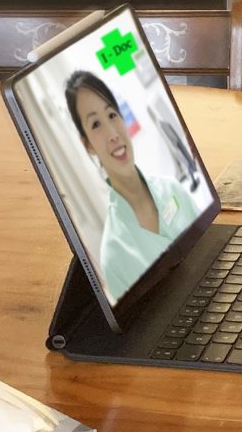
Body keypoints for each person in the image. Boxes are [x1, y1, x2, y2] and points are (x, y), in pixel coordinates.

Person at [64, 71, 199, 297]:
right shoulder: (114, 254)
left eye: (112, 115)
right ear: (87, 143)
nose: (113, 134)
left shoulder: (172, 190)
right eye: (96, 124)